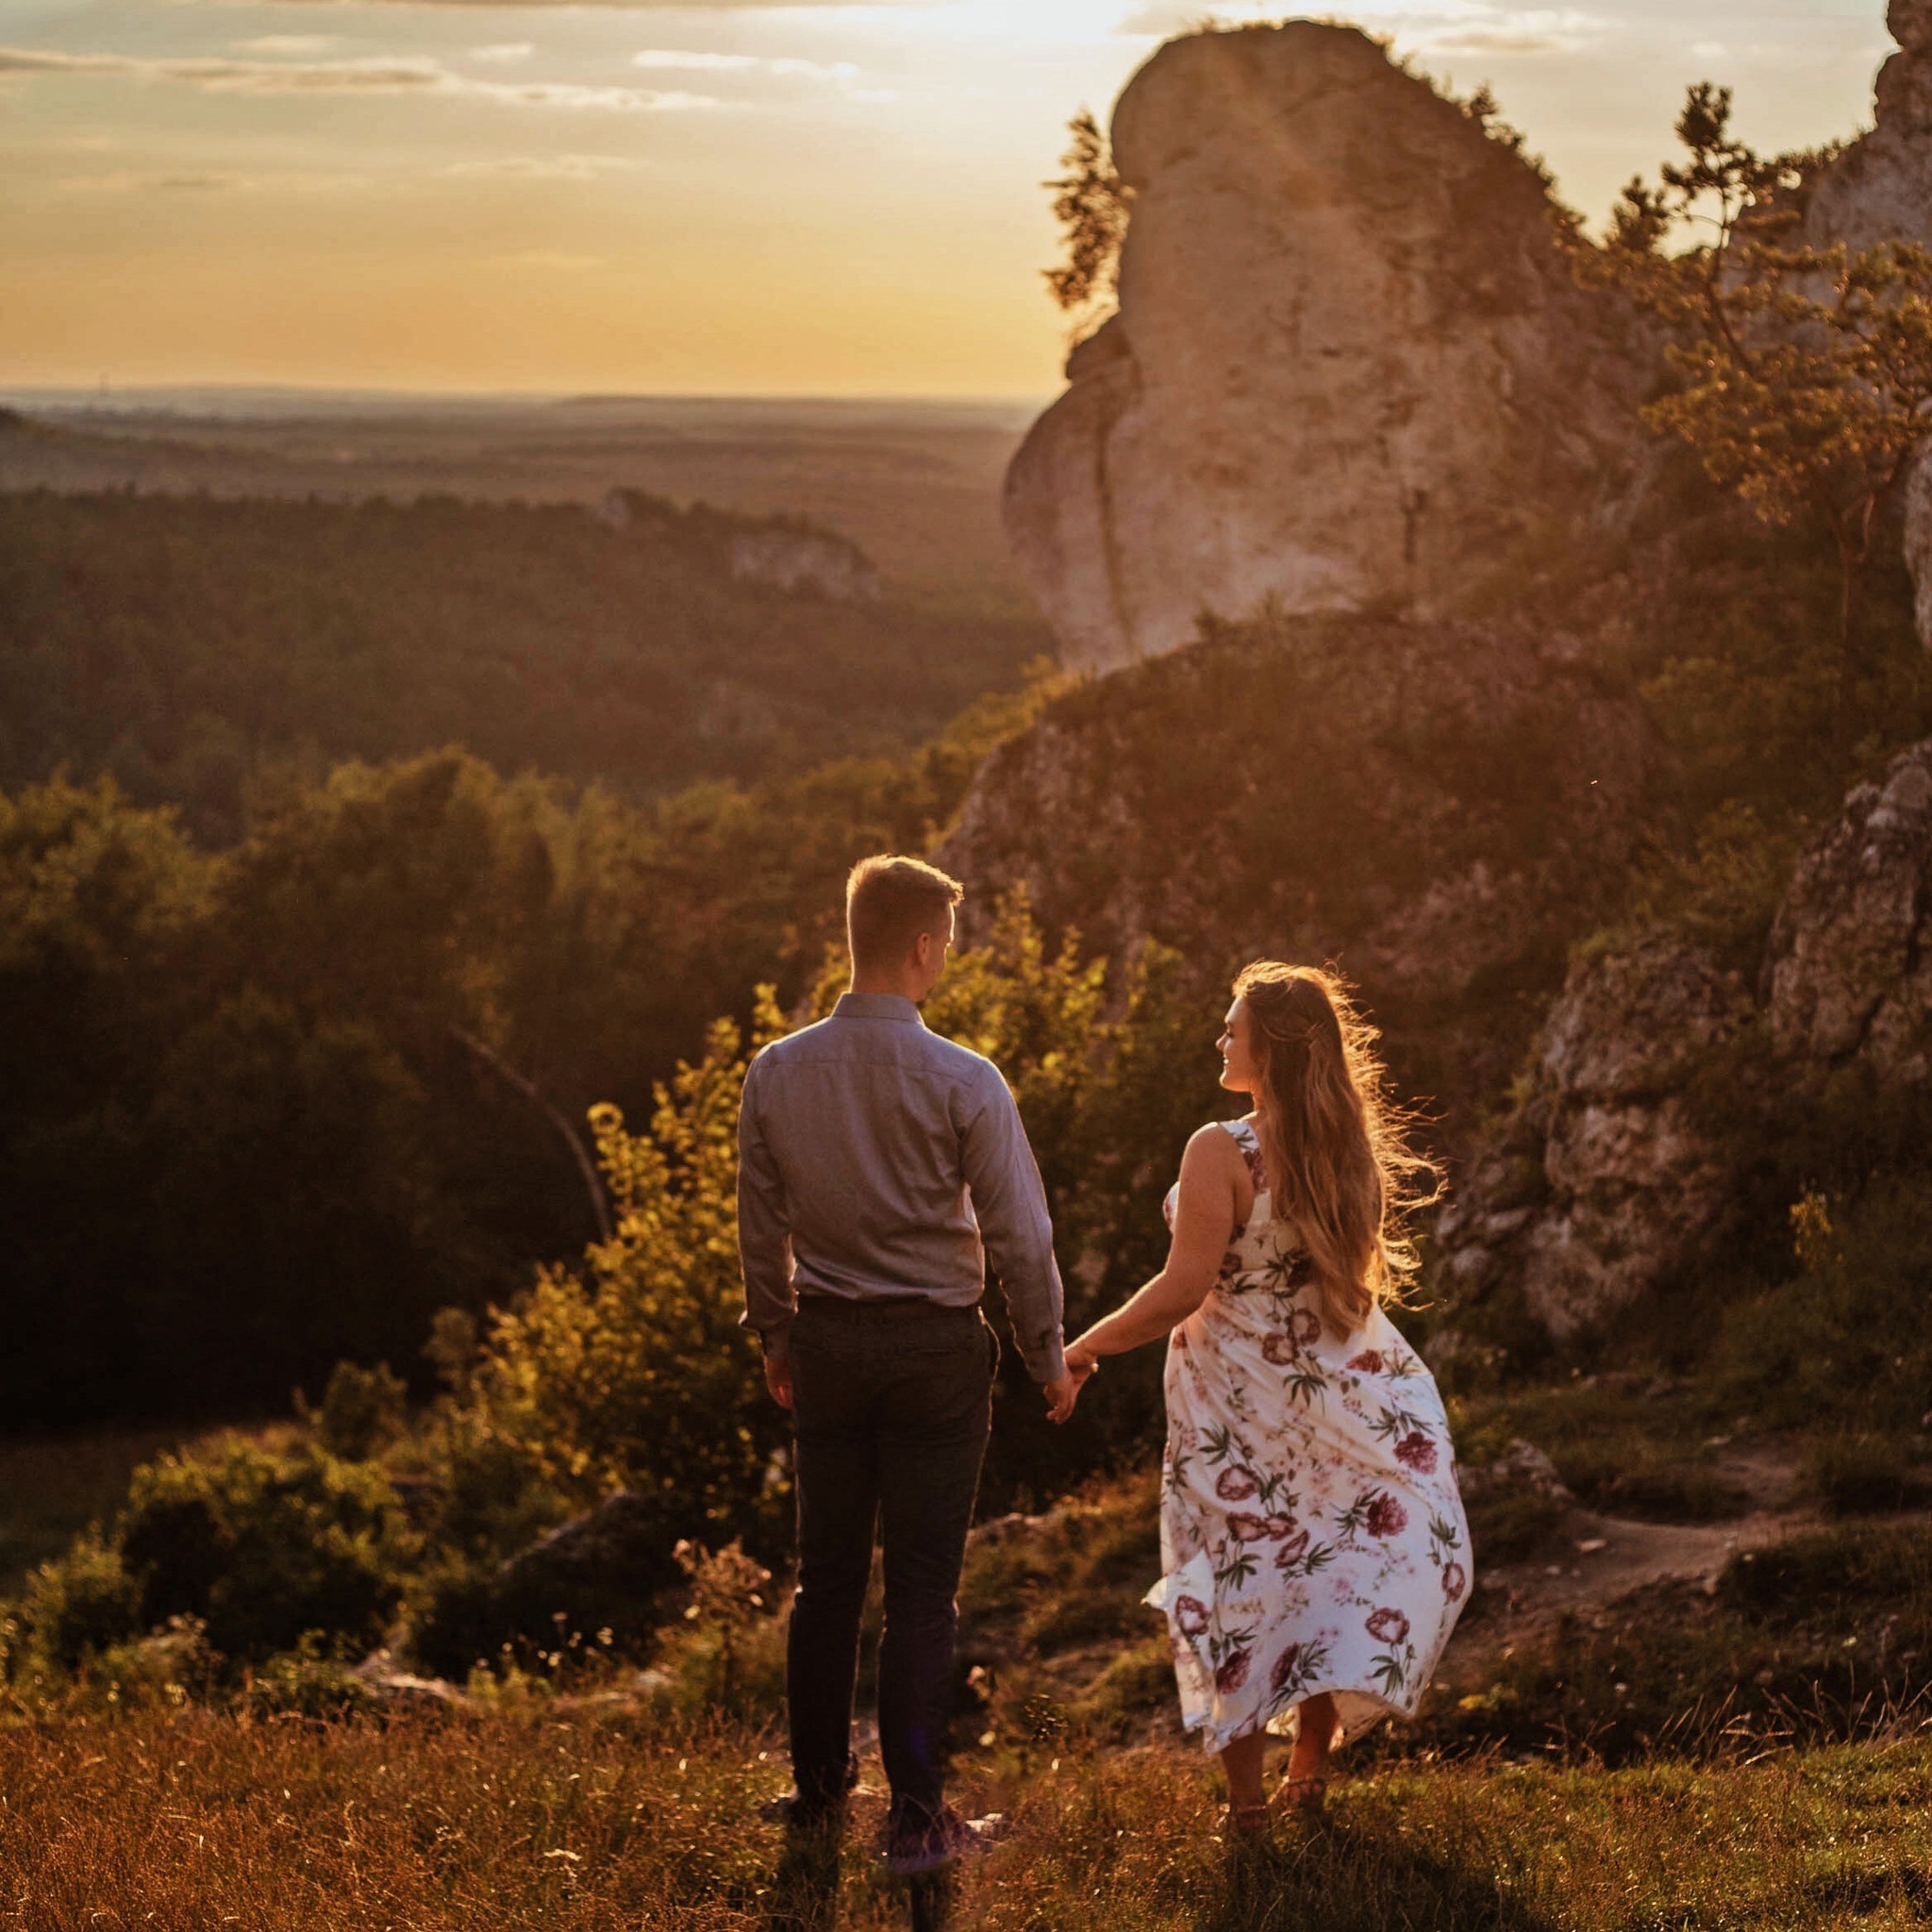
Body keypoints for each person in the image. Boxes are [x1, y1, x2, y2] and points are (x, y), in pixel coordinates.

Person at [1063, 961, 1469, 1832]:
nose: (1220, 1039)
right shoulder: (1344, 1149)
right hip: (1330, 1386)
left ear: (1270, 1049)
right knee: (1319, 1571)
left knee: (1235, 1582)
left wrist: (1085, 1347)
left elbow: (1183, 1287)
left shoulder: (1220, 1148)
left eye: (1232, 1028)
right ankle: (1305, 1773)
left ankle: (1247, 1808)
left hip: (1233, 1398)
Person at [737, 853, 1081, 1874]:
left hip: (827, 1342)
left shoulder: (776, 1069)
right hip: (935, 1349)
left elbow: (759, 1223)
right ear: (924, 946)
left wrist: (775, 1334)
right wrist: (1047, 1358)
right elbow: (1021, 1235)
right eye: (948, 944)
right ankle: (917, 1821)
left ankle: (816, 1795)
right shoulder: (966, 1079)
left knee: (826, 1579)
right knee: (923, 1592)